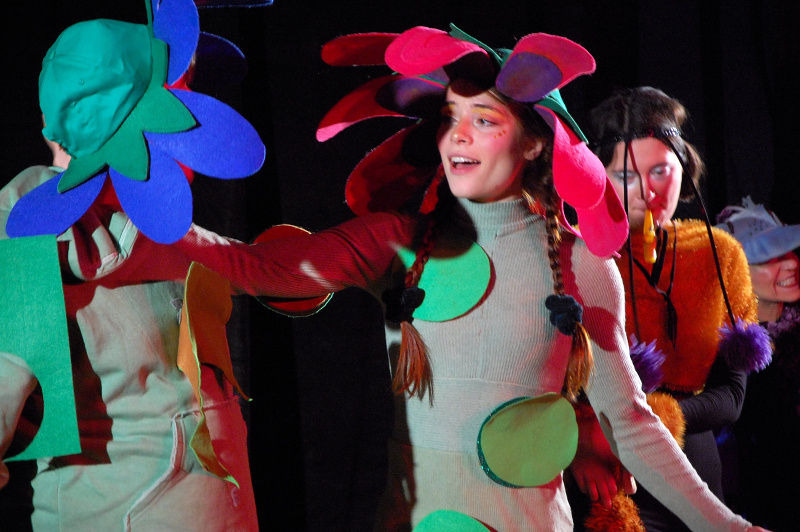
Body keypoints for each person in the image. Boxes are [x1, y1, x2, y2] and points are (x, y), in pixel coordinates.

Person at [166, 27, 770, 531]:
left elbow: (631, 423)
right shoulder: (396, 242)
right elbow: (255, 269)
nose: (457, 134)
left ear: (533, 145)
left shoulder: (583, 264)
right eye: (450, 118)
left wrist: (729, 526)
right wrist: (140, 220)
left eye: (484, 119)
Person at [0, 1, 265, 529]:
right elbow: (9, 364)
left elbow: (268, 269)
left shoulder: (166, 230)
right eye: (174, 96)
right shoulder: (32, 216)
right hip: (115, 507)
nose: (190, 118)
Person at [566, 86, 771, 532]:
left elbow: (731, 397)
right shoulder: (573, 254)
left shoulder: (719, 255)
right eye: (625, 175)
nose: (646, 191)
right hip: (603, 477)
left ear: (685, 168)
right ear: (598, 176)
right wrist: (576, 439)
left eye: (660, 170)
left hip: (697, 474)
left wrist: (658, 417)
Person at [716, 198, 800, 531]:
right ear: (735, 271)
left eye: (788, 250)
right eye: (769, 257)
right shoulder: (722, 348)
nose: (790, 263)